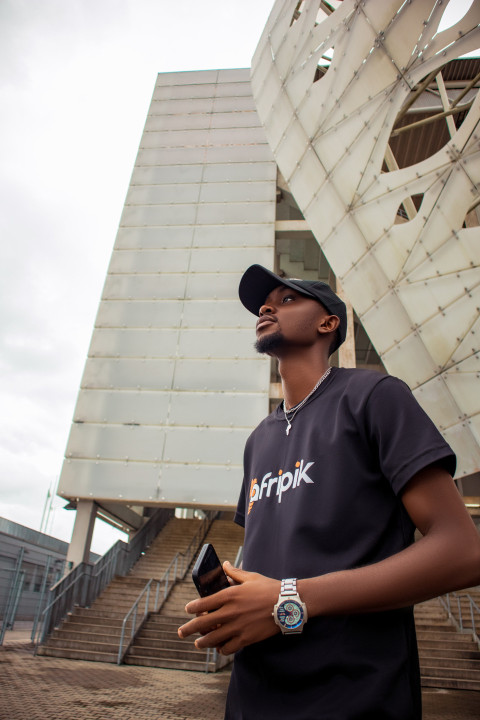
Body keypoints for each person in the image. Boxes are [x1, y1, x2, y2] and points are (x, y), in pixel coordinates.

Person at [178, 264, 480, 720]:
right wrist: (232, 605)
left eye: (287, 299)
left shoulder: (375, 396)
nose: (266, 306)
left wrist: (288, 600)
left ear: (328, 323)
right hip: (252, 698)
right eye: (265, 303)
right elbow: (265, 559)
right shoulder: (257, 440)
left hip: (357, 698)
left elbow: (462, 551)